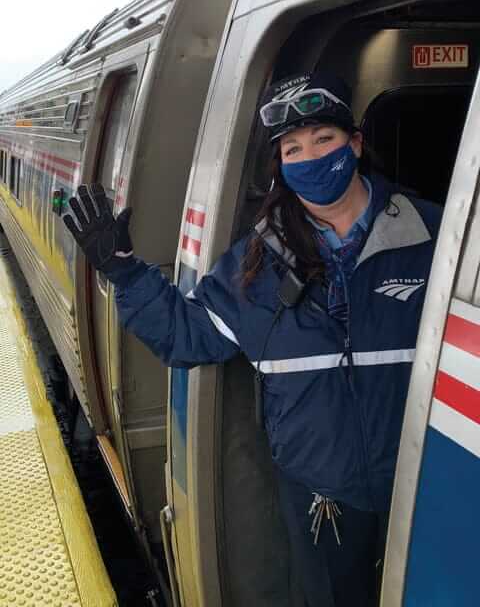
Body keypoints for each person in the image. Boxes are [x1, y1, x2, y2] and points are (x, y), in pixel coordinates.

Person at [63, 70, 442, 607]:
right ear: (282, 168)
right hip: (322, 501)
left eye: (323, 140)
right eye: (293, 150)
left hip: (428, 488)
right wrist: (124, 273)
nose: (309, 157)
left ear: (355, 143)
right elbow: (189, 337)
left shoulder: (434, 237)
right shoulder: (255, 263)